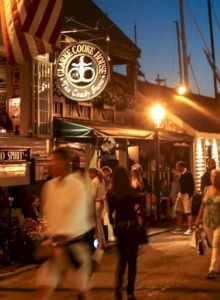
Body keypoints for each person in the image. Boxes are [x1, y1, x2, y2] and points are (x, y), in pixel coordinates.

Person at [36, 148, 95, 300]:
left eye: (55, 160)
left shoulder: (78, 186)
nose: (51, 164)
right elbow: (47, 216)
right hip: (53, 245)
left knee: (82, 291)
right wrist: (46, 239)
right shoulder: (49, 187)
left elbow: (75, 218)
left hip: (74, 246)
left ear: (65, 163)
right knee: (44, 289)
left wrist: (55, 243)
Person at [107, 166, 141, 300]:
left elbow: (110, 214)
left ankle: (117, 288)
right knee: (132, 261)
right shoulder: (132, 191)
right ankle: (130, 291)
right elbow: (139, 208)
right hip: (132, 226)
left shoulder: (111, 193)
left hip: (120, 227)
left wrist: (114, 226)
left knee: (122, 260)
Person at [195, 169, 220, 279]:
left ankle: (212, 270)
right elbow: (203, 204)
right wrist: (198, 218)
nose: (212, 178)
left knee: (215, 244)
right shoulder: (206, 189)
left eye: (215, 176)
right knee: (213, 244)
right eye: (211, 175)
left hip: (219, 221)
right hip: (208, 222)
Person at [174, 161, 195, 235]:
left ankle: (190, 228)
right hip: (181, 194)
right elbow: (178, 183)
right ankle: (180, 226)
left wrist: (190, 195)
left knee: (188, 212)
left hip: (187, 194)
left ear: (181, 167)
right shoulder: (180, 174)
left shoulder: (188, 174)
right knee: (177, 209)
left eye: (177, 166)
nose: (176, 168)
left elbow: (192, 185)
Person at [88, 167, 106, 248]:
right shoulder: (102, 181)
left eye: (90, 174)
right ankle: (102, 242)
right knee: (99, 224)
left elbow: (92, 195)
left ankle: (99, 243)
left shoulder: (94, 181)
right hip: (101, 203)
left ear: (93, 173)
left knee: (96, 224)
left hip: (96, 204)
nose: (89, 175)